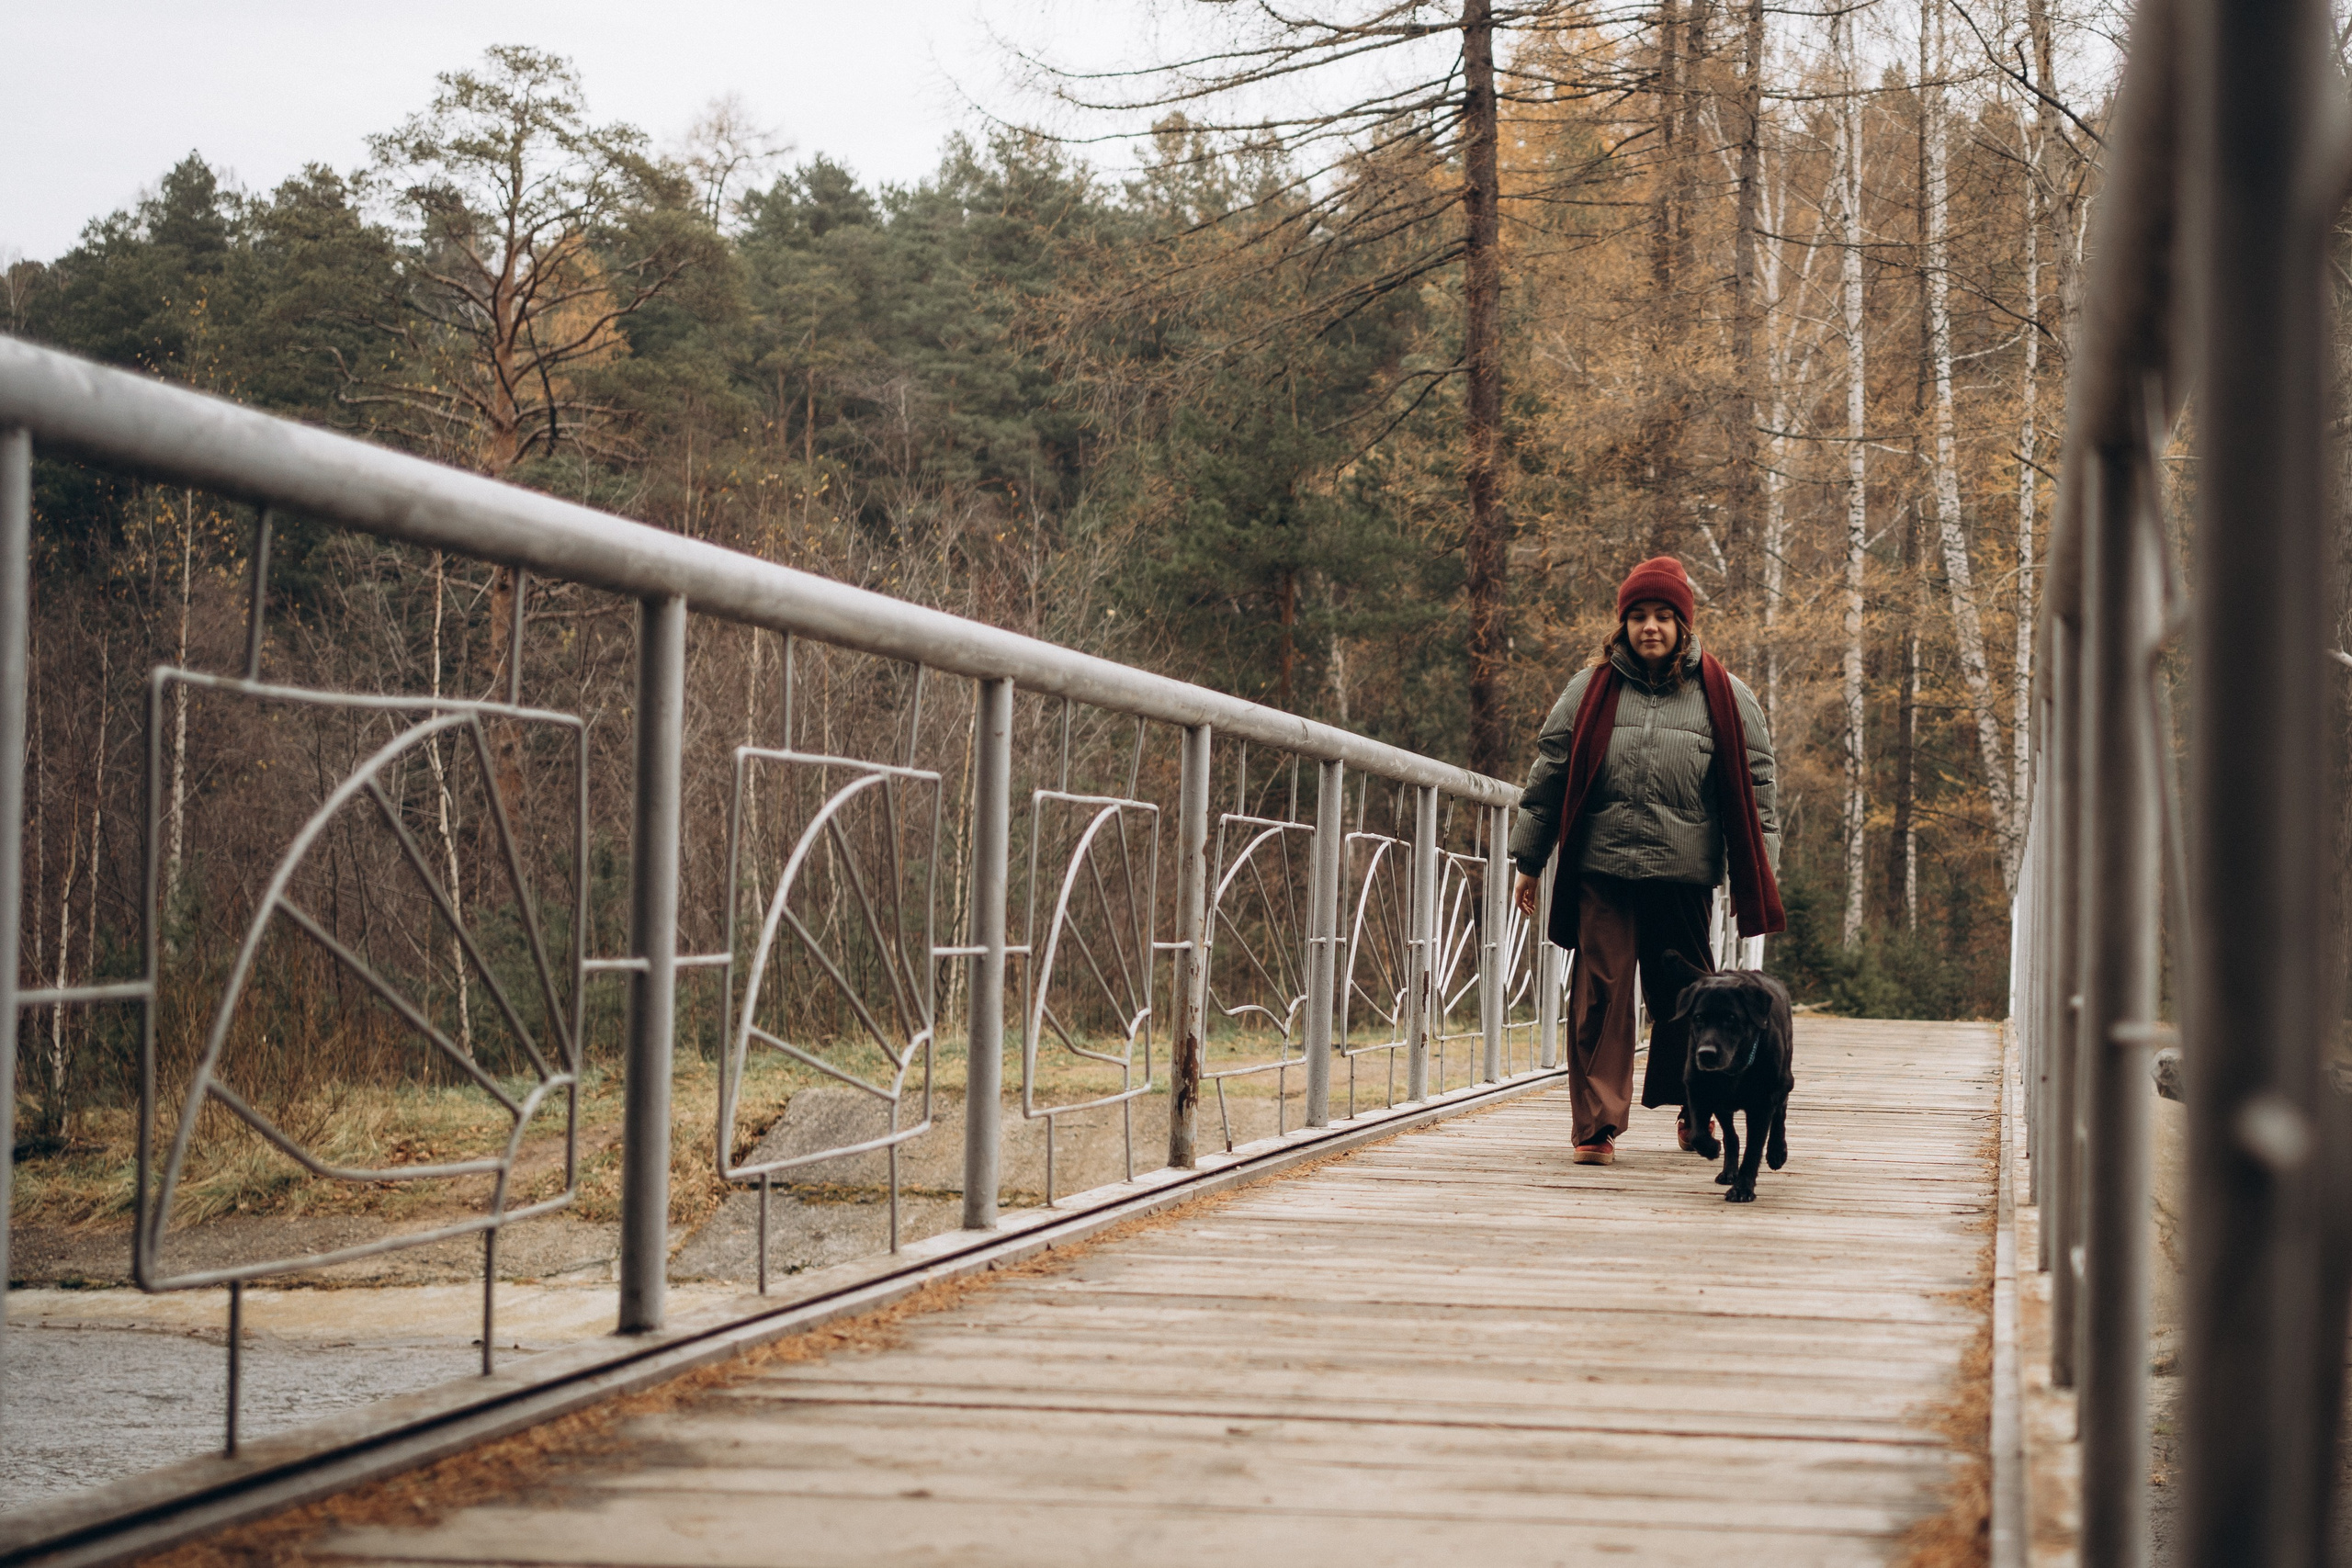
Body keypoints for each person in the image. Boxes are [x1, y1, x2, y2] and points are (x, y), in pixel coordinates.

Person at [1509, 556, 1784, 1166]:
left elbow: (1757, 792)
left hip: (1683, 873)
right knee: (1601, 995)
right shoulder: (1589, 689)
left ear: (1683, 623)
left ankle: (1696, 1106)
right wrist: (1529, 856)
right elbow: (1550, 772)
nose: (1650, 626)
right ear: (1623, 624)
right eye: (1638, 616)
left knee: (1689, 997)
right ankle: (1596, 1125)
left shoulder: (1726, 695)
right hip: (1602, 869)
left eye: (1663, 615)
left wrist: (1756, 875)